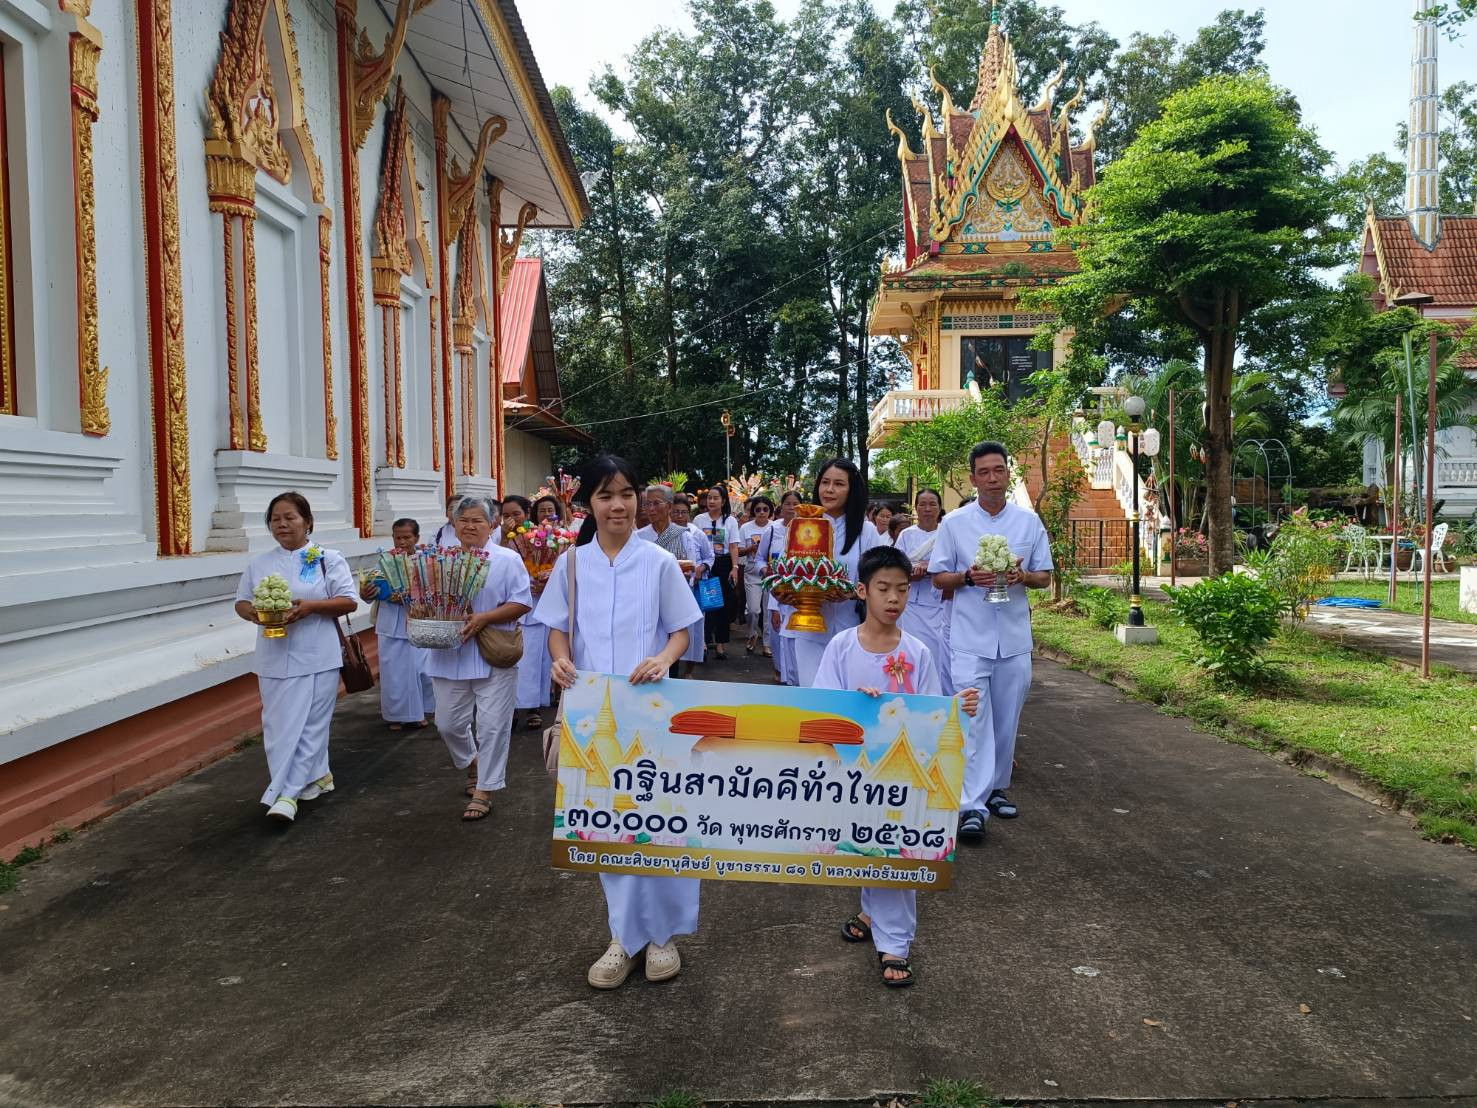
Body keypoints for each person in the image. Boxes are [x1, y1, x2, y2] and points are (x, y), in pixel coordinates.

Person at [537, 455, 703, 989]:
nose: (618, 505)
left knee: (661, 820)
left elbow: (681, 630)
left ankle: (663, 938)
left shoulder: (656, 562)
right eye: (606, 495)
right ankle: (623, 938)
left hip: (653, 709)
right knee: (607, 824)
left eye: (627, 494)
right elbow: (557, 629)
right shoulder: (571, 564)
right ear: (588, 503)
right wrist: (560, 660)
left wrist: (663, 658)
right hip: (592, 712)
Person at [814, 546, 978, 987]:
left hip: (901, 774)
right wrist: (855, 705)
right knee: (867, 842)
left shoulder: (919, 651)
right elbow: (823, 706)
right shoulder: (841, 646)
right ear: (862, 591)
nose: (893, 599)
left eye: (902, 590)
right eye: (883, 589)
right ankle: (871, 911)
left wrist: (956, 708)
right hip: (854, 771)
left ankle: (896, 945)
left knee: (896, 847)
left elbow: (929, 712)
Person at [930, 442, 1053, 842]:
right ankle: (971, 805)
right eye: (984, 472)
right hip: (969, 636)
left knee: (1006, 717)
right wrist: (967, 577)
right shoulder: (955, 524)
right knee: (972, 717)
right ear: (973, 478)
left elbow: (1044, 576)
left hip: (1014, 637)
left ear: (1007, 475)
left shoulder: (1028, 523)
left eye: (999, 470)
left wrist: (1022, 579)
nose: (992, 478)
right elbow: (938, 577)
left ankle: (997, 789)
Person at [232, 492, 358, 823]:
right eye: (276, 519)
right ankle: (314, 777)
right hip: (273, 656)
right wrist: (256, 615)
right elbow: (242, 602)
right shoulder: (259, 563)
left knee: (312, 725)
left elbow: (348, 601)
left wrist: (311, 607)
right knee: (279, 726)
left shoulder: (326, 558)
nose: (283, 524)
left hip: (318, 654)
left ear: (308, 522)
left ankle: (285, 794)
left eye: (290, 517)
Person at [423, 495, 532, 822]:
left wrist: (484, 617)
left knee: (492, 726)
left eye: (477, 521)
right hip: (448, 654)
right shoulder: (438, 559)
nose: (470, 526)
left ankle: (485, 788)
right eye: (464, 520)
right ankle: (472, 761)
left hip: (492, 653)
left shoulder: (506, 559)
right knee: (447, 723)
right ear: (453, 523)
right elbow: (423, 598)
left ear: (492, 524)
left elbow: (522, 602)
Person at [792, 458, 882, 688]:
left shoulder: (867, 531)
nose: (829, 490)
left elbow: (879, 579)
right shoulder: (800, 527)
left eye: (839, 484)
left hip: (851, 629)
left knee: (848, 699)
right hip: (809, 631)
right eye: (825, 482)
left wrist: (851, 593)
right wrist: (787, 593)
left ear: (852, 490)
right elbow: (789, 573)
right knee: (814, 698)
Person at [362, 517, 435, 731]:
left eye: (406, 537)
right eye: (397, 537)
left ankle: (420, 712)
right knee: (393, 672)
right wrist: (367, 592)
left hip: (417, 621)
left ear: (416, 538)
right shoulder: (384, 561)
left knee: (419, 670)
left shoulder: (427, 561)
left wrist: (410, 595)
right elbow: (369, 591)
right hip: (390, 624)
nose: (401, 542)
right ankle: (396, 715)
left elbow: (435, 589)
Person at [894, 489, 954, 697]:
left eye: (932, 504)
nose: (927, 509)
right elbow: (895, 567)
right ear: (916, 508)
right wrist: (912, 572)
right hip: (911, 606)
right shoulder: (906, 535)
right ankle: (910, 696)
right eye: (922, 504)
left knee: (937, 656)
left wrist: (932, 567)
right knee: (911, 653)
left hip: (940, 604)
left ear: (939, 508)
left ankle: (935, 698)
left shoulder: (947, 534)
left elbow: (954, 567)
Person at [501, 494, 550, 730]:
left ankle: (533, 707)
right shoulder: (500, 539)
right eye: (506, 515)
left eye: (516, 514)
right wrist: (501, 537)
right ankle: (509, 708)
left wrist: (545, 580)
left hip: (538, 605)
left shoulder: (543, 538)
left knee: (536, 660)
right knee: (513, 661)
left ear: (527, 514)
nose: (511, 520)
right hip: (509, 609)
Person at [670, 494, 714, 678]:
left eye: (684, 512)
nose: (680, 516)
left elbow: (709, 556)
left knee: (694, 629)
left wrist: (700, 569)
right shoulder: (665, 533)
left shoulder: (696, 533)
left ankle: (689, 670)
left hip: (693, 588)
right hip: (670, 590)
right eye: (676, 512)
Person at [762, 490, 802, 683]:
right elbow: (761, 559)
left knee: (797, 641)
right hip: (776, 591)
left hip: (801, 593)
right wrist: (765, 571)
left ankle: (795, 678)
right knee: (778, 637)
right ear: (781, 506)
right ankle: (780, 672)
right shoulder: (771, 530)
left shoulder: (808, 530)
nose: (792, 508)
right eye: (788, 503)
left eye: (796, 504)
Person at [698, 486, 741, 660]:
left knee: (723, 603)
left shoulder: (730, 521)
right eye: (709, 498)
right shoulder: (699, 520)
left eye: (715, 498)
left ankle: (721, 644)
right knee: (706, 603)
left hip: (723, 564)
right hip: (705, 564)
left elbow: (733, 546)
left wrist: (735, 567)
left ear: (723, 501)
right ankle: (704, 642)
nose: (711, 501)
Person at [739, 496, 774, 655]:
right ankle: (752, 634)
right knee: (753, 610)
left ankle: (767, 643)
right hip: (752, 572)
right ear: (753, 511)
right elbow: (738, 550)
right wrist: (751, 548)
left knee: (769, 611)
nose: (761, 512)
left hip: (771, 573)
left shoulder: (775, 528)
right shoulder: (746, 528)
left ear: (770, 511)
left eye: (765, 509)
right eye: (758, 509)